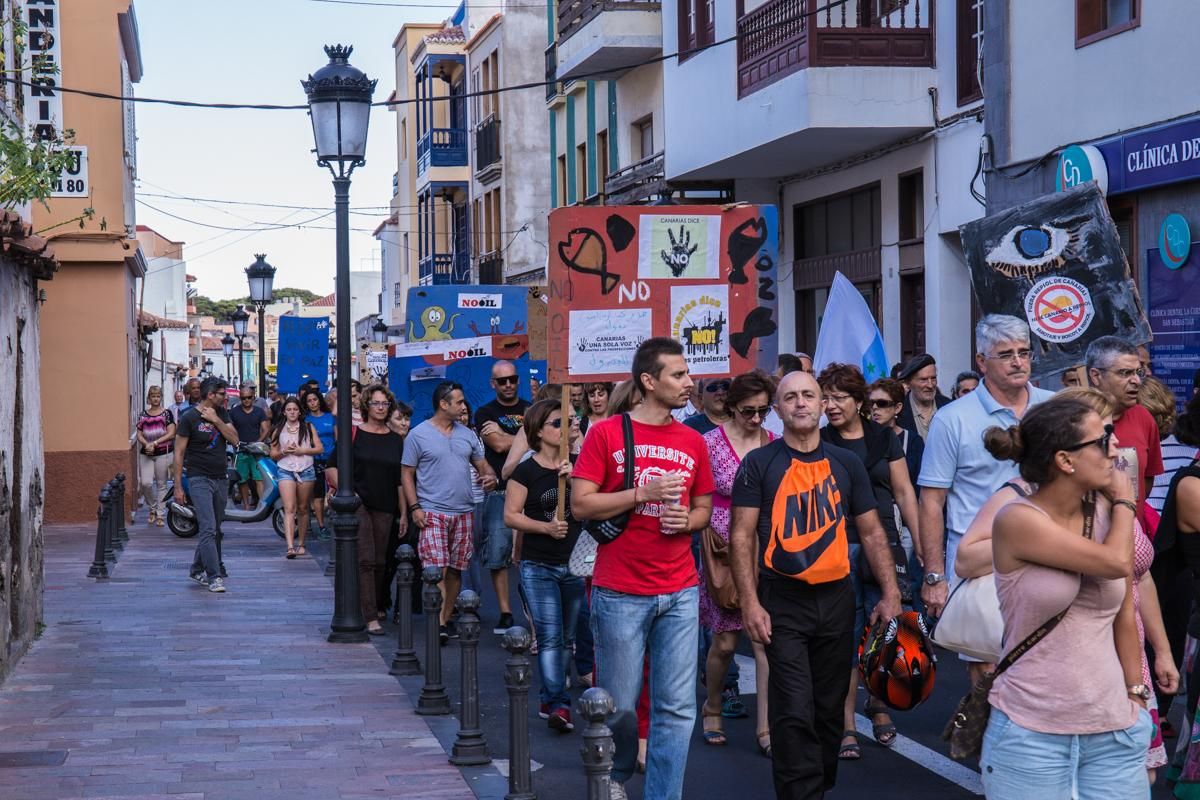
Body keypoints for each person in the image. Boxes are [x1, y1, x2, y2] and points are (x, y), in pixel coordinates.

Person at [957, 387, 1177, 777]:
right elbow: (1114, 562)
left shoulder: (1107, 511)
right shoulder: (1018, 517)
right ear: (1065, 460)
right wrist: (1127, 500)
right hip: (1033, 727)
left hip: (1112, 720)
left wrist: (1138, 698)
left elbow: (1127, 607)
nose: (1116, 449)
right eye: (1103, 439)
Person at [730, 370, 901, 799]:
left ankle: (816, 786)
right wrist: (750, 603)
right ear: (778, 409)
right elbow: (740, 535)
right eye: (791, 397)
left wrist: (891, 591)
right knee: (792, 709)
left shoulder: (845, 464)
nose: (801, 403)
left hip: (837, 597)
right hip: (783, 600)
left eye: (809, 395)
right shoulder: (759, 464)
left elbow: (874, 530)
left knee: (828, 711)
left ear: (823, 403)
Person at [572, 337, 715, 800]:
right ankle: (609, 782)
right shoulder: (607, 434)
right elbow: (581, 504)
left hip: (680, 589)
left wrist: (687, 520)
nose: (689, 382)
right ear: (649, 381)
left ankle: (663, 795)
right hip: (620, 591)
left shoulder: (693, 440)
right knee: (615, 705)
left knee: (676, 710)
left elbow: (704, 508)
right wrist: (642, 495)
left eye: (687, 373)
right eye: (678, 375)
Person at [918, 314, 1055, 618]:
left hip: (1048, 556)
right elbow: (931, 501)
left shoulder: (1053, 408)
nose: (1018, 362)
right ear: (981, 362)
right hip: (979, 564)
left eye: (1024, 352)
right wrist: (935, 576)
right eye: (1006, 355)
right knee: (986, 664)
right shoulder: (952, 419)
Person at [817, 364, 920, 759]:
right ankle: (846, 725)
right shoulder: (820, 439)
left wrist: (926, 548)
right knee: (844, 632)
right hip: (836, 545)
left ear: (858, 401)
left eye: (839, 397)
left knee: (885, 626)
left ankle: (877, 705)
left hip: (885, 542)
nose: (830, 405)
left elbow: (904, 492)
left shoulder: (883, 438)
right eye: (825, 397)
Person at [697, 372, 775, 756]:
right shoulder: (709, 443)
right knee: (726, 642)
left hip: (766, 546)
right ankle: (712, 704)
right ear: (732, 406)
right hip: (724, 548)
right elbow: (696, 497)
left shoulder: (774, 443)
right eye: (749, 411)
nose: (757, 418)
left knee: (764, 638)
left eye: (764, 410)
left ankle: (765, 726)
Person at [506, 399, 585, 734]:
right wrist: (545, 528)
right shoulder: (526, 470)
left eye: (571, 420)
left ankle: (549, 694)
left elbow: (592, 508)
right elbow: (510, 515)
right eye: (558, 423)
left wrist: (578, 478)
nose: (567, 428)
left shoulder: (581, 465)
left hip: (575, 563)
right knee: (551, 638)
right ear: (538, 431)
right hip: (539, 564)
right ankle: (558, 703)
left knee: (568, 638)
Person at [404, 381, 497, 644]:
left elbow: (483, 465)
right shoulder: (418, 435)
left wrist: (489, 477)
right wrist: (414, 508)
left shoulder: (468, 434)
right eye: (457, 401)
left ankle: (444, 617)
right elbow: (406, 473)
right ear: (443, 404)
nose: (462, 405)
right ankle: (439, 623)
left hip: (464, 512)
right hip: (432, 511)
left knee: (457, 569)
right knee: (437, 569)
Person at [327, 384, 406, 636]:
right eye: (376, 403)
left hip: (386, 505)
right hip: (358, 504)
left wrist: (404, 512)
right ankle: (370, 616)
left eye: (384, 404)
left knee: (382, 561)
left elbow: (400, 480)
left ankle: (377, 603)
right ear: (366, 406)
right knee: (366, 559)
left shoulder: (396, 440)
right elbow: (331, 467)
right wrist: (349, 493)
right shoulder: (354, 434)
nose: (381, 408)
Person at [475, 360, 530, 634]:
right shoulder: (485, 411)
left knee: (530, 555)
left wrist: (507, 437)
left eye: (512, 379)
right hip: (499, 490)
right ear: (492, 384)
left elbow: (547, 439)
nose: (508, 384)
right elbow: (496, 445)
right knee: (498, 554)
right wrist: (528, 437)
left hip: (533, 490)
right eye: (502, 381)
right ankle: (506, 612)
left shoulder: (531, 408)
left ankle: (531, 613)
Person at [1087, 336, 1164, 529]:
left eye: (1138, 372)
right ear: (1096, 376)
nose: (1136, 381)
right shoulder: (1070, 418)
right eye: (1125, 373)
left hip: (1132, 535)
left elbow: (1146, 479)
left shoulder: (1144, 418)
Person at [174, 377, 239, 593]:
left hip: (220, 477)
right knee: (208, 527)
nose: (225, 396)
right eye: (222, 393)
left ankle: (196, 568)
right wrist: (177, 486)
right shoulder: (189, 417)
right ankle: (214, 576)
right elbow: (179, 452)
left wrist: (217, 421)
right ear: (210, 395)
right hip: (198, 477)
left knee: (214, 528)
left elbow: (235, 440)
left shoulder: (221, 413)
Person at [269, 395, 322, 559]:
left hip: (306, 469)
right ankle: (290, 546)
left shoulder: (308, 426)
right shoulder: (278, 429)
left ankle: (301, 543)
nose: (292, 412)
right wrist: (285, 451)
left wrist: (302, 451)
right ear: (284, 412)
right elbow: (273, 454)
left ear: (300, 412)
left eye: (295, 409)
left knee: (303, 508)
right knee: (289, 508)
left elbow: (319, 448)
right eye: (289, 409)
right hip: (285, 470)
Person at [135, 386, 176, 527]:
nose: (156, 398)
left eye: (158, 396)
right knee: (145, 483)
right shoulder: (143, 415)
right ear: (149, 398)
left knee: (161, 484)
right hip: (146, 453)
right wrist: (146, 444)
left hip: (163, 452)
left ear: (161, 397)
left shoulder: (167, 414)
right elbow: (139, 433)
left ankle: (160, 514)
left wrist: (156, 442)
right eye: (153, 396)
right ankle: (152, 508)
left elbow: (172, 433)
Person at [229, 384, 270, 510]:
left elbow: (266, 429)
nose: (246, 400)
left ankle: (262, 506)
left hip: (256, 451)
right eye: (243, 398)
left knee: (259, 478)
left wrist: (257, 443)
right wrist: (236, 443)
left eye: (249, 397)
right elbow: (230, 429)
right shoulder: (234, 412)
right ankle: (246, 505)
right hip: (241, 450)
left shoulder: (259, 411)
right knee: (242, 479)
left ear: (253, 397)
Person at [302, 388, 335, 539]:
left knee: (335, 490)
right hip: (314, 459)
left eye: (314, 399)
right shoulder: (306, 420)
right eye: (309, 401)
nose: (312, 403)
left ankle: (334, 522)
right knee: (318, 495)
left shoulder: (330, 417)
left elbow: (338, 437)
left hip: (331, 459)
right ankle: (321, 526)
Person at [896, 354, 951, 440]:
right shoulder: (899, 412)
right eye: (923, 380)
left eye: (933, 378)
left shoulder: (948, 406)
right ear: (908, 382)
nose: (930, 385)